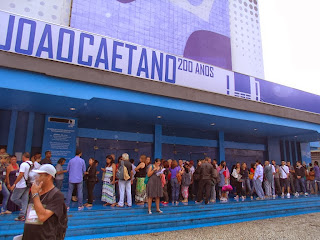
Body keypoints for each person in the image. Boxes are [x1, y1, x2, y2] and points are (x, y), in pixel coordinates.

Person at [22, 164, 67, 240]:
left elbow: (42, 217)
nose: (36, 177)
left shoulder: (57, 195)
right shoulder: (35, 191)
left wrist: (35, 195)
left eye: (40, 175)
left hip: (45, 237)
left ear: (49, 177)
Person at [10, 152, 33, 221]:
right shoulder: (32, 164)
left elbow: (20, 175)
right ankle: (23, 214)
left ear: (23, 156)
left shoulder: (23, 164)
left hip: (21, 184)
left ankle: (24, 209)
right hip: (28, 184)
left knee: (14, 198)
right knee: (25, 199)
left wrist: (14, 184)